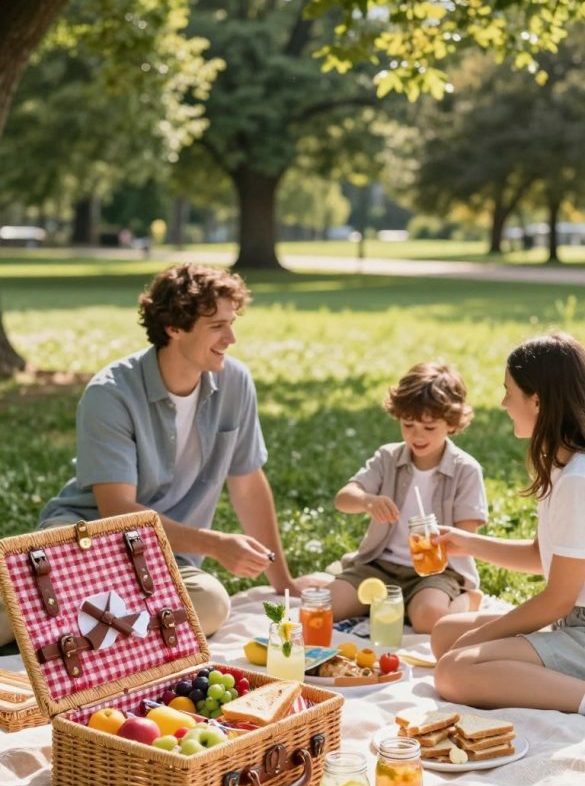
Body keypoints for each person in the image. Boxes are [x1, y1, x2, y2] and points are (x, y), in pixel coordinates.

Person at [0, 263, 301, 644]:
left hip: (164, 560)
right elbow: (116, 512)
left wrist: (283, 582)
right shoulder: (110, 393)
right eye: (217, 326)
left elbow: (248, 485)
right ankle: (68, 621)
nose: (231, 338)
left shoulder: (235, 382)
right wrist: (215, 544)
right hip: (87, 542)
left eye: (232, 322)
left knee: (209, 604)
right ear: (174, 328)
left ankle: (71, 630)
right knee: (27, 608)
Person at [432, 332, 585, 715]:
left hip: (578, 627)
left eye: (508, 392)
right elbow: (542, 557)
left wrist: (476, 640)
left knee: (453, 670)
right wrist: (466, 543)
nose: (503, 403)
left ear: (538, 400)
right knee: (444, 634)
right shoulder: (559, 463)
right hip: (571, 620)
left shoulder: (578, 479)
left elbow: (557, 599)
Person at [326, 362, 488, 630]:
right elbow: (343, 498)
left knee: (430, 620)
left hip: (435, 571)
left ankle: (468, 600)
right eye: (408, 424)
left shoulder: (466, 470)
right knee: (324, 607)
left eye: (429, 427)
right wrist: (368, 501)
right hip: (379, 565)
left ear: (451, 423)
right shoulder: (388, 457)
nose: (417, 435)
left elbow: (467, 537)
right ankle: (391, 604)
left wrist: (433, 540)